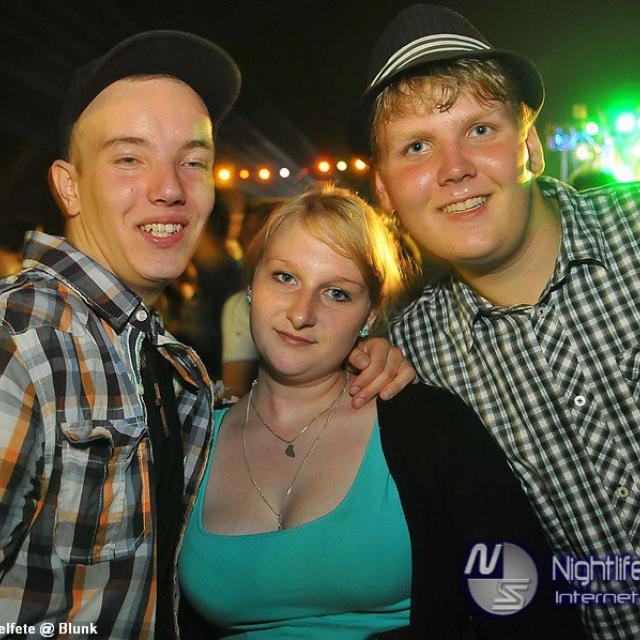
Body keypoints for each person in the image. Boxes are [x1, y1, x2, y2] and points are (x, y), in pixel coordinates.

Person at [0, 32, 411, 640]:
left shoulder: (170, 368)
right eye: (129, 159)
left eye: (192, 161)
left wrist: (359, 351)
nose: (170, 188)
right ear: (69, 186)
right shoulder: (22, 340)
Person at [349, 5, 640, 639]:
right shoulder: (410, 361)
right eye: (417, 146)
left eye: (480, 129)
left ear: (529, 146)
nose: (455, 168)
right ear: (385, 190)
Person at [178, 186, 585, 639]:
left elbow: (525, 605)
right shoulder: (191, 439)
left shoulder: (425, 427)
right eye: (285, 277)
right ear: (251, 285)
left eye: (336, 293)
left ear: (369, 315)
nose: (301, 313)